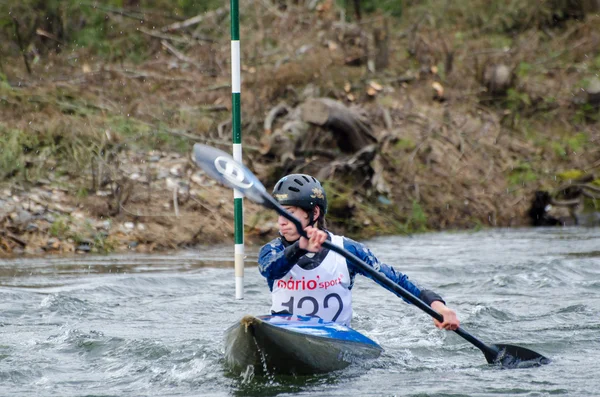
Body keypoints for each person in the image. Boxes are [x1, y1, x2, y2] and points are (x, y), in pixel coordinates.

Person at [258, 173, 460, 330]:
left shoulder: (348, 250)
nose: (282, 222)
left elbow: (396, 281)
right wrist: (300, 248)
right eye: (279, 214)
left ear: (315, 213)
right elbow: (270, 270)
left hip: (334, 338)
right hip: (284, 332)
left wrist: (437, 306)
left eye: (289, 213)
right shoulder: (272, 250)